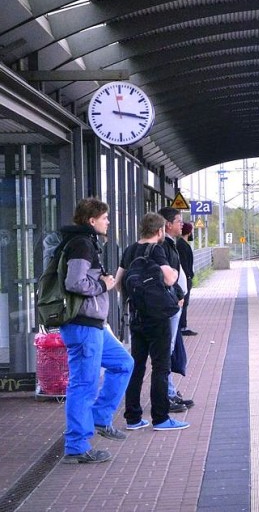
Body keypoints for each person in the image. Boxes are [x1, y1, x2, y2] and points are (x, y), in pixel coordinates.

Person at [59, 197, 134, 464]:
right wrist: (104, 285)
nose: (108, 222)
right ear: (92, 220)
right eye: (105, 217)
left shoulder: (86, 242)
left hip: (93, 325)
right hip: (82, 326)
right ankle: (76, 447)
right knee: (83, 385)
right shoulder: (81, 244)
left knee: (124, 363)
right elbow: (74, 281)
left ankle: (100, 419)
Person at [115, 212, 189, 431]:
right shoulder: (156, 249)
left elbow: (119, 283)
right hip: (158, 318)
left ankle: (133, 418)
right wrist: (173, 274)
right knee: (160, 367)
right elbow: (169, 278)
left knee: (136, 366)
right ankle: (161, 418)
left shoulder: (130, 250)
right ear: (160, 231)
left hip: (136, 316)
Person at [158, 206, 195, 410]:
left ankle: (170, 391)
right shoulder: (163, 246)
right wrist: (178, 295)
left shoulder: (172, 244)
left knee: (169, 350)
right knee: (165, 351)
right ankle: (167, 394)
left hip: (174, 305)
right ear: (168, 224)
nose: (182, 224)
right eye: (179, 221)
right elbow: (168, 277)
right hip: (169, 306)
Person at [177, 221, 197, 337]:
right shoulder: (182, 245)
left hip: (186, 277)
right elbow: (184, 263)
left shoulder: (182, 244)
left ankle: (183, 325)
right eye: (192, 231)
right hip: (185, 278)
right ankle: (182, 326)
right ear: (189, 232)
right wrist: (188, 275)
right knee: (184, 302)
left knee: (185, 302)